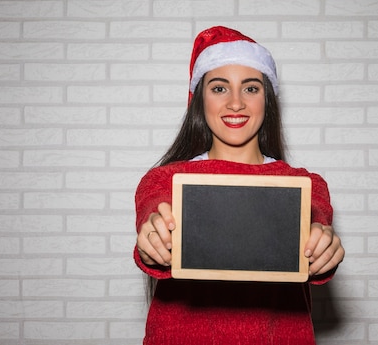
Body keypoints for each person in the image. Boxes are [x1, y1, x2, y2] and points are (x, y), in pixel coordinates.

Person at [134, 26, 344, 345]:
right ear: (200, 100)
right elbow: (154, 212)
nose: (235, 103)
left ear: (267, 99)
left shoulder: (306, 184)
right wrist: (154, 240)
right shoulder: (165, 180)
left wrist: (322, 244)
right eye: (219, 88)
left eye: (250, 88)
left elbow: (316, 219)